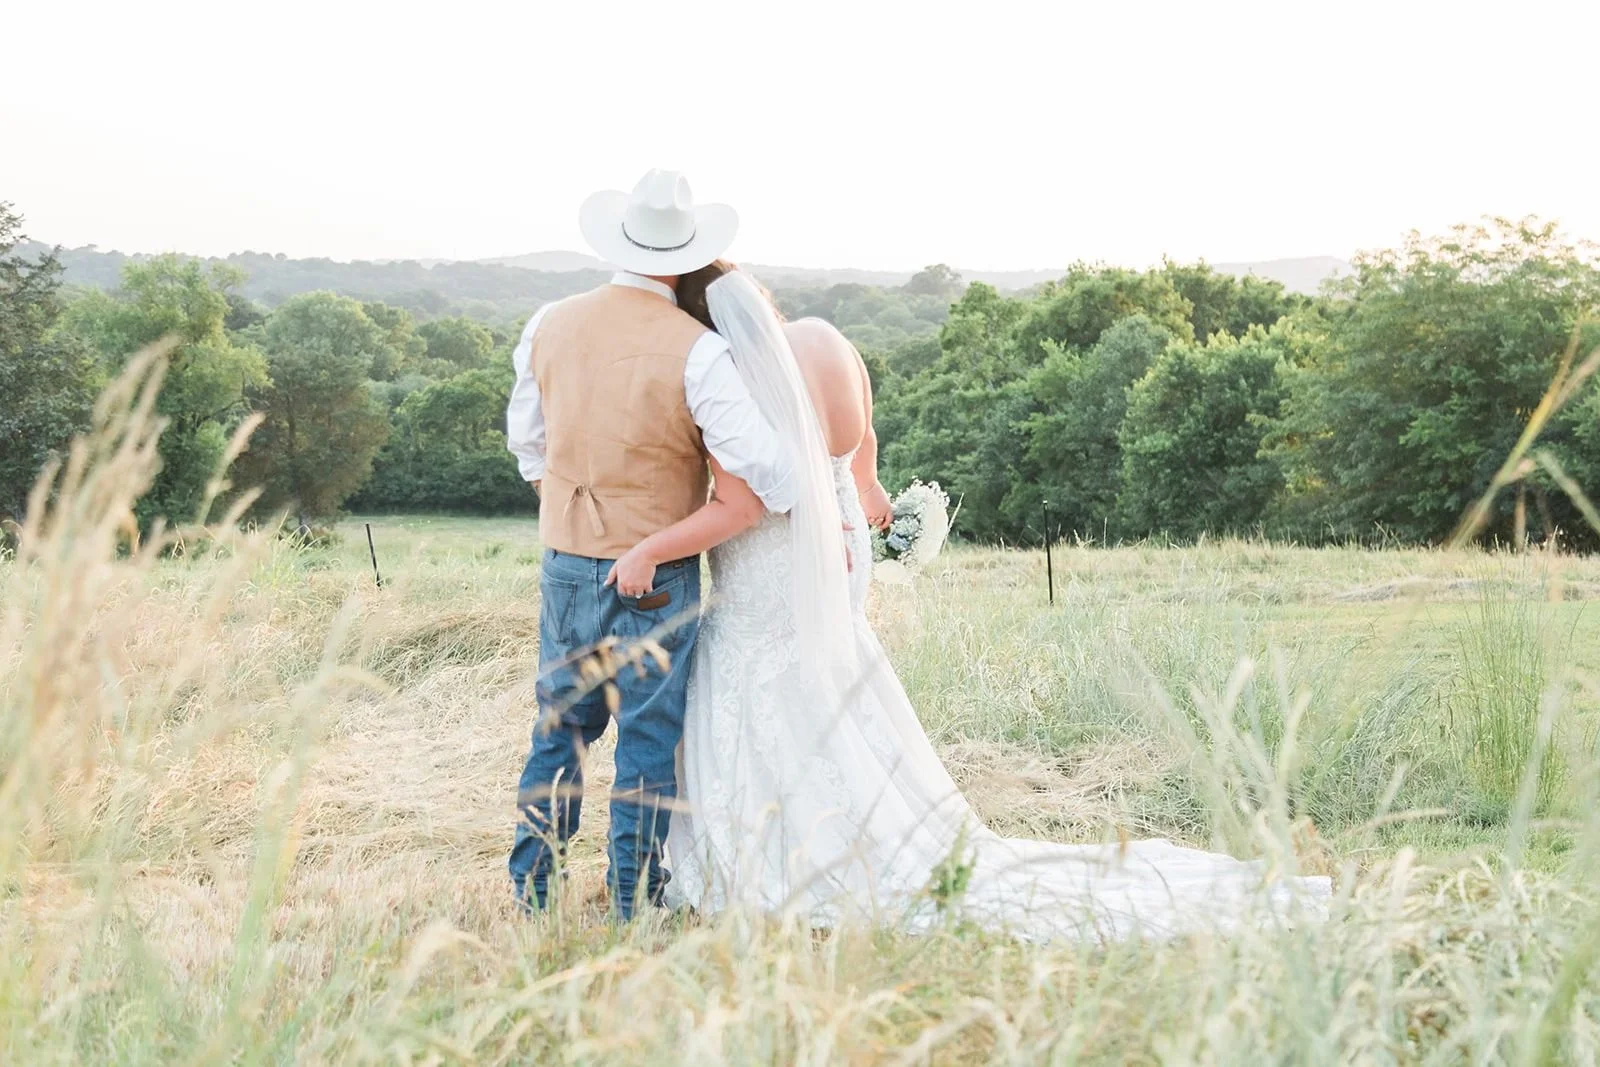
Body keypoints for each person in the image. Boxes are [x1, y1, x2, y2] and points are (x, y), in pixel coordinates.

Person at [607, 261, 1332, 941]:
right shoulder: (827, 339)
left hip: (774, 553)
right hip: (841, 540)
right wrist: (863, 490)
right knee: (832, 663)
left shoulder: (731, 373)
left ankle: (784, 844)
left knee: (758, 668)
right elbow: (862, 445)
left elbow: (751, 493)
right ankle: (865, 813)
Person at [504, 171, 795, 918]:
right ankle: (631, 900)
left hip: (566, 563)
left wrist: (578, 521)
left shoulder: (548, 323)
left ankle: (533, 893)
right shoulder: (696, 351)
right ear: (683, 254)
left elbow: (529, 450)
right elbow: (769, 477)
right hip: (657, 574)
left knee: (560, 728)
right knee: (645, 741)